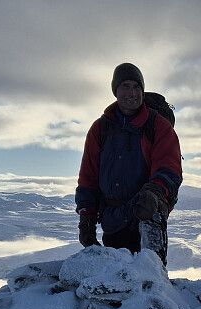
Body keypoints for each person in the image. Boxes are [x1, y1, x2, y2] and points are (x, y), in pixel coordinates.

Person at [75, 62, 183, 265]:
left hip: (147, 216)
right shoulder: (101, 128)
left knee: (149, 279)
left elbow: (169, 168)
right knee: (116, 280)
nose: (132, 93)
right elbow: (88, 177)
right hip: (113, 218)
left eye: (136, 87)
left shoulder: (158, 125)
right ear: (115, 90)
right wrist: (86, 218)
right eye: (125, 86)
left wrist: (154, 193)